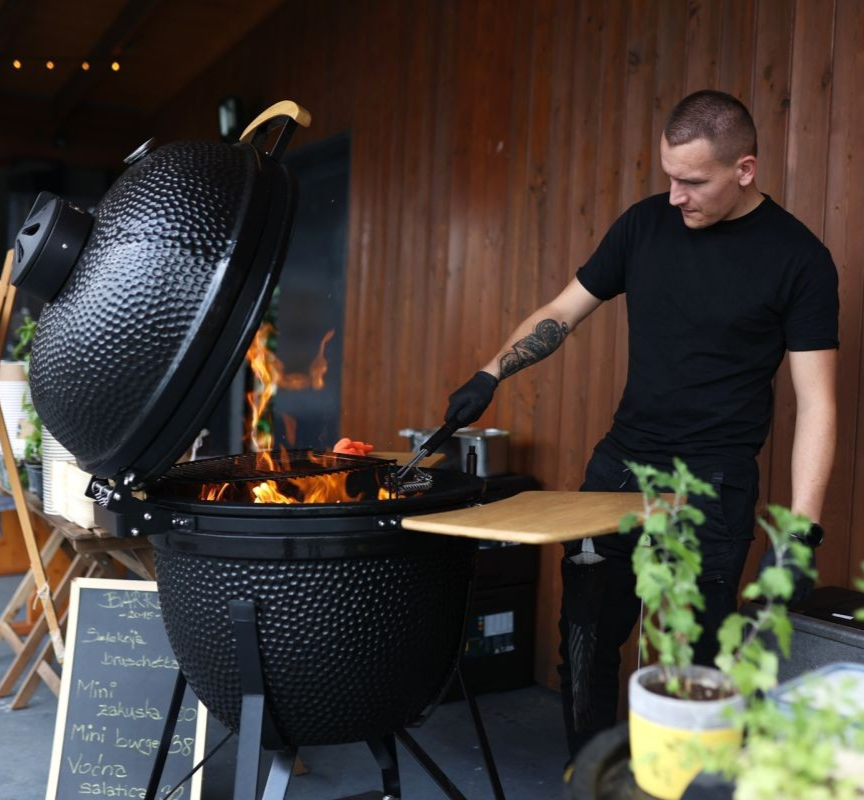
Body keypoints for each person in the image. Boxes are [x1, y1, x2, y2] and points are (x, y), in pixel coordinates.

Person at [442, 90, 838, 758]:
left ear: (744, 169)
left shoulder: (798, 258)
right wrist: (490, 374)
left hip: (713, 484)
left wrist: (801, 531)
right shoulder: (643, 226)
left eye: (693, 181)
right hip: (620, 468)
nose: (676, 196)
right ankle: (587, 772)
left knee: (699, 665)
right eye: (669, 177)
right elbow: (562, 313)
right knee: (587, 639)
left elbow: (818, 401)